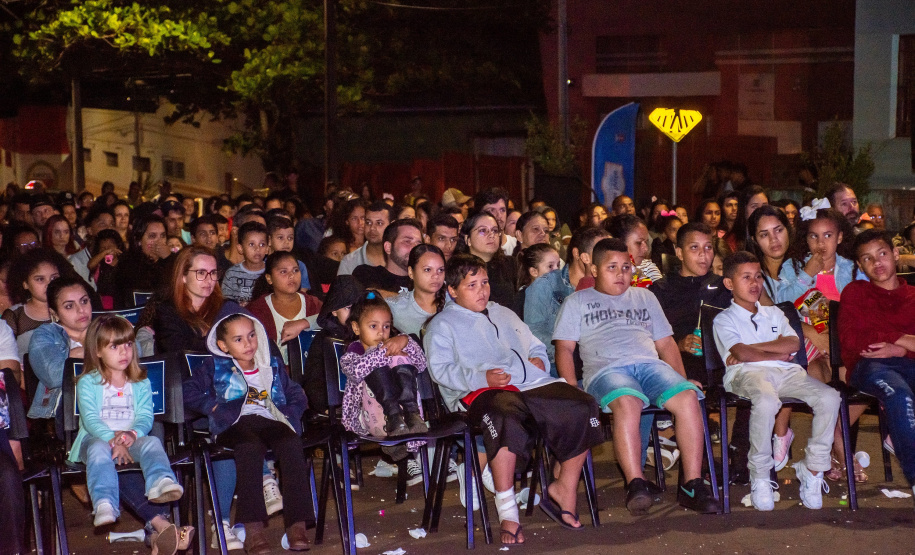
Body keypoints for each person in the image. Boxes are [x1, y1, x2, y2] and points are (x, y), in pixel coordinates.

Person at [425, 254, 603, 544]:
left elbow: (532, 342)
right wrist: (484, 379)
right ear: (452, 290)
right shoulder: (442, 325)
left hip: (529, 385)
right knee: (505, 416)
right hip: (480, 394)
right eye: (471, 285)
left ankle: (564, 488)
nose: (482, 290)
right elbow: (441, 370)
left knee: (583, 404)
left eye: (484, 282)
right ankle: (508, 512)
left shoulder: (503, 312)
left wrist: (537, 358)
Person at [553, 238, 718, 515]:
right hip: (608, 370)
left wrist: (682, 377)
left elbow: (665, 343)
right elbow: (564, 349)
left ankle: (691, 483)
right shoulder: (577, 301)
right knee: (628, 403)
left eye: (626, 267)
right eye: (612, 267)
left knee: (688, 397)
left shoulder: (645, 297)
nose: (621, 274)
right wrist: (571, 386)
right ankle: (636, 483)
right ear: (594, 269)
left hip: (650, 366)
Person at [713, 251, 841, 511]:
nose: (754, 283)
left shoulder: (774, 313)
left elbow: (793, 342)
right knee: (768, 401)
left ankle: (813, 469)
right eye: (746, 277)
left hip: (787, 372)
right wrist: (774, 351)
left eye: (758, 276)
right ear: (729, 284)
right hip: (747, 375)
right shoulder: (724, 319)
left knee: (830, 397)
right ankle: (760, 475)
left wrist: (758, 350)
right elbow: (740, 353)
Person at [184, 313, 312, 553]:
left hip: (269, 419)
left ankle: (297, 524)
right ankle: (253, 529)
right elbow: (187, 391)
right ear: (224, 346)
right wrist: (212, 407)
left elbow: (297, 393)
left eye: (251, 335)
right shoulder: (216, 366)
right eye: (239, 339)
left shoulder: (269, 364)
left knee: (291, 442)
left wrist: (290, 414)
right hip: (234, 424)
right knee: (249, 447)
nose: (249, 344)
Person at [69, 315, 187, 550]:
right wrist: (114, 440)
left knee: (152, 441)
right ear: (98, 351)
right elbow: (91, 420)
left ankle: (160, 482)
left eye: (128, 344)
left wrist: (133, 434)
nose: (124, 351)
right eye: (115, 346)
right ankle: (104, 502)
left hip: (128, 438)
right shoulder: (88, 382)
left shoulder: (140, 382)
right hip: (96, 438)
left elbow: (145, 415)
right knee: (99, 450)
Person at [839, 229, 915, 498]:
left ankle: (899, 432)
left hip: (908, 364)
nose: (877, 263)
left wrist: (898, 347)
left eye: (882, 254)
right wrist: (903, 339)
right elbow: (854, 341)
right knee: (899, 394)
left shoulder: (913, 297)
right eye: (868, 259)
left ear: (895, 254)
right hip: (870, 367)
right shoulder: (856, 293)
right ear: (860, 266)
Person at [340, 291, 428, 460]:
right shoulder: (352, 355)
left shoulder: (395, 346)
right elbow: (357, 371)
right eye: (373, 326)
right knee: (379, 359)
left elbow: (421, 364)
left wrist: (405, 341)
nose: (381, 332)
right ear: (356, 327)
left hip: (408, 420)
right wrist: (383, 353)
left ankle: (411, 413)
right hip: (374, 418)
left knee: (399, 356)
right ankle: (393, 419)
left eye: (386, 326)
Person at [525, 226, 609, 372]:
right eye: (600, 251)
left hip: (600, 364)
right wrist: (569, 351)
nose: (607, 257)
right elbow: (534, 332)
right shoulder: (546, 284)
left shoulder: (610, 287)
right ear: (579, 254)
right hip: (556, 365)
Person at [247, 251, 322, 363]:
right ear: (269, 278)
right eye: (283, 272)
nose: (291, 276)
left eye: (295, 270)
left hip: (311, 374)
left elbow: (334, 317)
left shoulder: (313, 303)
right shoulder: (257, 310)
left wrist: (304, 323)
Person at [3, 249, 65, 355]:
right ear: (25, 284)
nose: (49, 284)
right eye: (40, 279)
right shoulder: (15, 315)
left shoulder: (72, 307)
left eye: (54, 277)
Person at [460, 211, 519, 313]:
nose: (491, 235)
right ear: (467, 239)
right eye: (483, 230)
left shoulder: (510, 264)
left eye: (495, 231)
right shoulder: (460, 269)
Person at [386, 244, 445, 338]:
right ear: (411, 272)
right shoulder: (395, 308)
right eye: (428, 270)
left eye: (441, 270)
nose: (436, 276)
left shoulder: (455, 302)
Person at [352, 219, 423, 297]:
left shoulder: (424, 280)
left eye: (418, 244)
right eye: (407, 241)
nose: (415, 248)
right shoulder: (366, 274)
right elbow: (368, 297)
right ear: (388, 247)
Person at [115, 215, 173, 307]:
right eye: (152, 236)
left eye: (163, 236)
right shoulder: (127, 267)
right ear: (139, 241)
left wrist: (169, 259)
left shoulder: (171, 262)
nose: (159, 242)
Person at [605, 214, 662, 286]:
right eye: (639, 243)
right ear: (619, 243)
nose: (646, 248)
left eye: (646, 242)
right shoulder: (606, 272)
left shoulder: (647, 267)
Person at [337, 201, 393, 276]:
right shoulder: (349, 262)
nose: (372, 228)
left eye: (379, 223)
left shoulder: (400, 258)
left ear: (391, 225)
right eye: (368, 223)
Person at [221, 222, 268, 305]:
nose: (257, 249)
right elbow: (226, 302)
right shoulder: (232, 274)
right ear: (240, 248)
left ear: (267, 248)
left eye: (262, 244)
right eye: (251, 244)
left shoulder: (271, 271)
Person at [266, 215, 311, 291]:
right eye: (280, 237)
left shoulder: (300, 266)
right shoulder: (263, 264)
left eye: (290, 238)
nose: (287, 242)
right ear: (269, 240)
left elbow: (303, 291)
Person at [474, 188, 517, 256]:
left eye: (502, 210)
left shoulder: (517, 245)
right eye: (491, 210)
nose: (499, 215)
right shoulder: (474, 248)